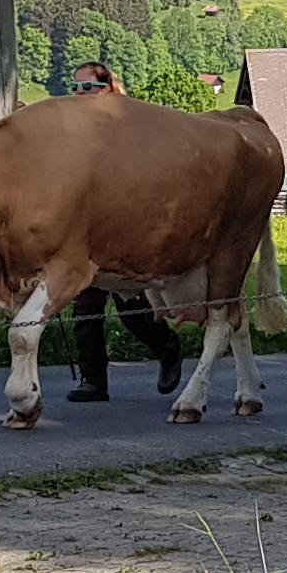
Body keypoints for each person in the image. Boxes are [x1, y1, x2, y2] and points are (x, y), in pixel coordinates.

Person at [59, 61, 184, 402]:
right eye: (77, 88)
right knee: (85, 307)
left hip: (125, 227)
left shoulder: (131, 127)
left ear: (108, 88)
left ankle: (168, 348)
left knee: (131, 308)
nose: (80, 94)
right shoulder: (74, 130)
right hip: (87, 229)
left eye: (88, 87)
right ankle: (93, 380)